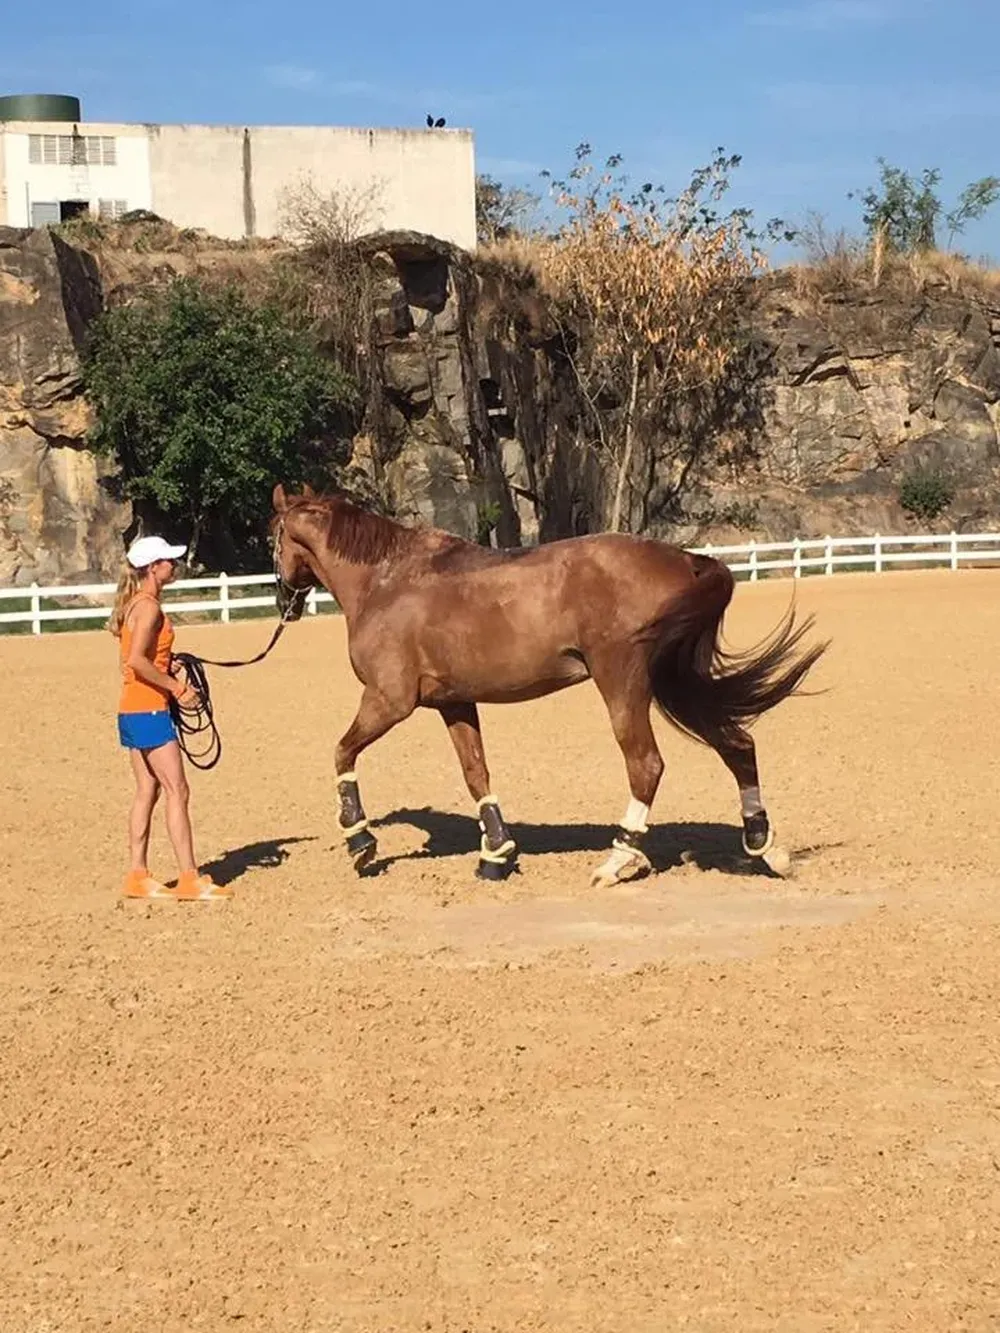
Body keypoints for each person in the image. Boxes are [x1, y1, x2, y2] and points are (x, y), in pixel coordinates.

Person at [108, 534, 231, 901]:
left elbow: (139, 656)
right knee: (178, 790)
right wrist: (178, 688)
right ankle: (189, 877)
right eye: (167, 561)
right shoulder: (149, 608)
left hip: (132, 707)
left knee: (147, 789)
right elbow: (137, 660)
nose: (173, 565)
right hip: (149, 707)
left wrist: (168, 662)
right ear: (152, 568)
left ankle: (138, 874)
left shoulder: (134, 604)